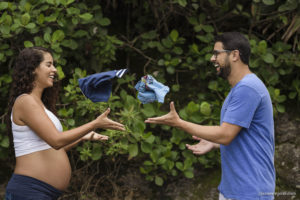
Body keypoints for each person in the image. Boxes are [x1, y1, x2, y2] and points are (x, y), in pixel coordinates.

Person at [145, 32, 275, 200]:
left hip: (249, 192)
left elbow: (226, 134)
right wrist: (214, 142)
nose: (212, 59)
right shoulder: (241, 88)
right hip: (235, 190)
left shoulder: (247, 89)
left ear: (235, 55)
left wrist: (179, 123)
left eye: (216, 53)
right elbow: (243, 137)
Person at [5, 47, 125, 200]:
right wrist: (94, 124)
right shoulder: (25, 101)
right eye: (48, 65)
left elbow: (51, 148)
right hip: (29, 191)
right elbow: (56, 141)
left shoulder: (39, 105)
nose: (54, 69)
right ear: (33, 69)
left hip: (41, 192)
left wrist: (81, 136)